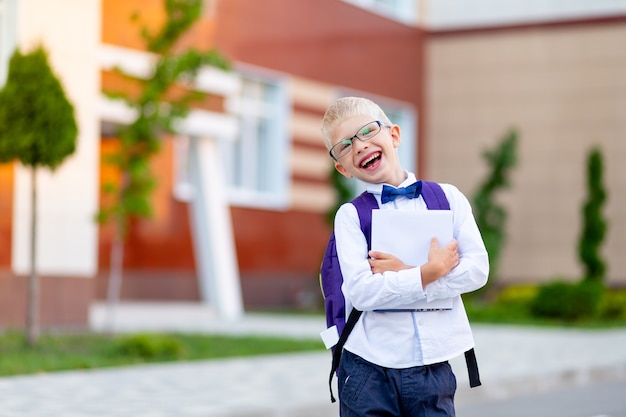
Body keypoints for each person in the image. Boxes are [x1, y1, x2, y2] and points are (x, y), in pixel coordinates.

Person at [321, 96, 489, 417]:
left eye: (367, 131)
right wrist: (428, 274)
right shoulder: (351, 216)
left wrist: (409, 271)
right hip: (367, 367)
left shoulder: (448, 198)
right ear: (342, 168)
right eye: (344, 145)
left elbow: (477, 270)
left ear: (394, 136)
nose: (359, 146)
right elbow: (362, 292)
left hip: (432, 368)